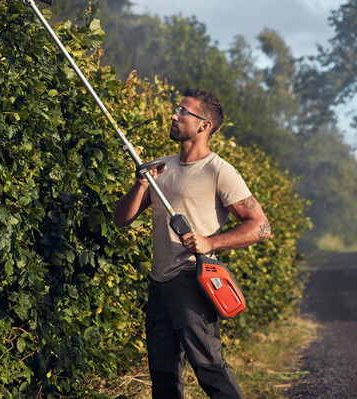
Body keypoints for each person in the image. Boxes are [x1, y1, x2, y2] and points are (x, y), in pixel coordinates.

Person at [114, 89, 271, 398]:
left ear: (204, 126)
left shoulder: (219, 172)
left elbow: (261, 227)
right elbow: (122, 219)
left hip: (193, 283)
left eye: (184, 111)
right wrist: (141, 183)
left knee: (209, 369)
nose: (175, 115)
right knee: (163, 376)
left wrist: (209, 241)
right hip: (159, 283)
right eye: (177, 109)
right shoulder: (160, 168)